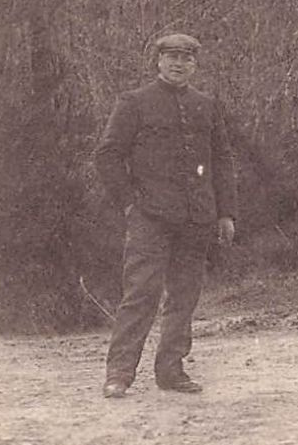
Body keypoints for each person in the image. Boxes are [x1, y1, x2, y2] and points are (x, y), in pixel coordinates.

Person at [93, 33, 238, 398]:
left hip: (197, 219)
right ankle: (120, 374)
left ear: (195, 64)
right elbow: (107, 155)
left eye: (186, 58)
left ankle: (171, 371)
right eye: (171, 57)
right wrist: (129, 202)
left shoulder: (207, 105)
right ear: (158, 61)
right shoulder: (134, 103)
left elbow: (222, 161)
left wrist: (226, 213)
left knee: (184, 297)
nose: (178, 64)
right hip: (150, 218)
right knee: (141, 295)